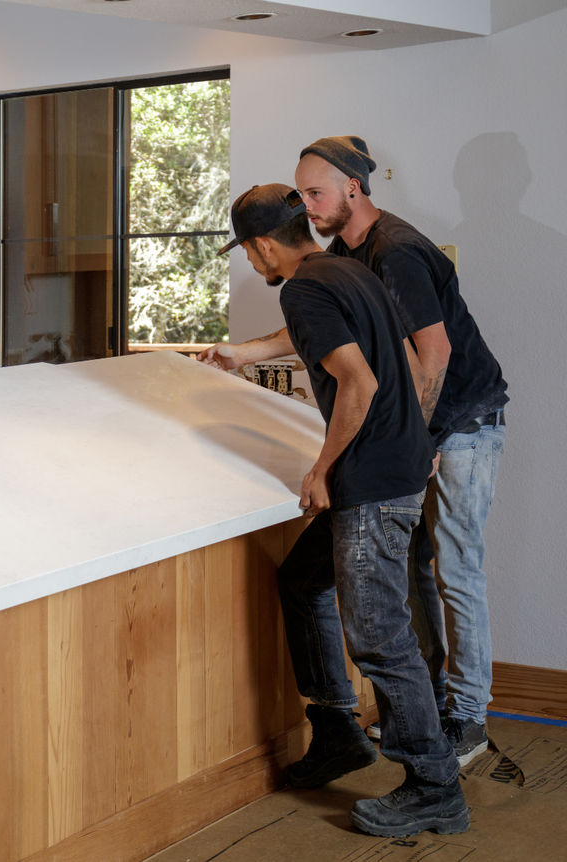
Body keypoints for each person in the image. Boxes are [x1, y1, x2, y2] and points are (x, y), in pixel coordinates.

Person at [203, 137, 508, 767]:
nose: (308, 206)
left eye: (316, 193)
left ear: (354, 187)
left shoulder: (393, 251)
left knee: (453, 570)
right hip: (408, 436)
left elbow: (433, 354)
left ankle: (466, 720)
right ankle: (412, 720)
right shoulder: (341, 257)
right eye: (301, 196)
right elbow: (341, 331)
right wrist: (244, 352)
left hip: (461, 421)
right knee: (405, 577)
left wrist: (412, 439)